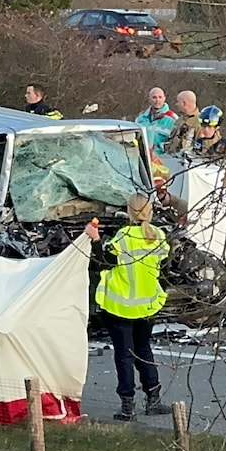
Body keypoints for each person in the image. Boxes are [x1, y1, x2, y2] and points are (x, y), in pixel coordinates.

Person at [84, 194, 174, 421]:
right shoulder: (160, 237)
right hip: (147, 305)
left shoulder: (121, 238)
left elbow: (102, 263)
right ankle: (153, 399)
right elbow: (165, 266)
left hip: (120, 306)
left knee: (124, 354)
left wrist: (94, 239)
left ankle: (128, 407)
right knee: (144, 350)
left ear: (129, 212)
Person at [135, 87, 177, 154]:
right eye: (154, 97)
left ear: (164, 98)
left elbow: (175, 144)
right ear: (149, 99)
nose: (157, 100)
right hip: (143, 159)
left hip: (163, 160)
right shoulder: (140, 119)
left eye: (160, 97)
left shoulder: (173, 119)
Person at [163, 90, 199, 155]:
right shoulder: (179, 120)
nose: (176, 104)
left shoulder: (199, 123)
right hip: (171, 160)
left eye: (178, 102)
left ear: (184, 104)